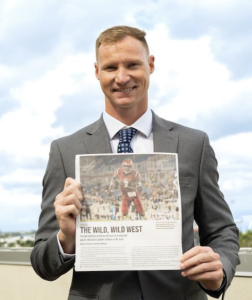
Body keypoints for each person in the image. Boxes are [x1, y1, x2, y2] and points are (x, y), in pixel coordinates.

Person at [31, 25, 240, 300]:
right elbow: (42, 262)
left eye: (132, 64)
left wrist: (220, 269)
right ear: (96, 72)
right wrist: (66, 239)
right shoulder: (65, 150)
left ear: (150, 65)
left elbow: (221, 229)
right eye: (110, 67)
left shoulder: (194, 144)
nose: (122, 77)